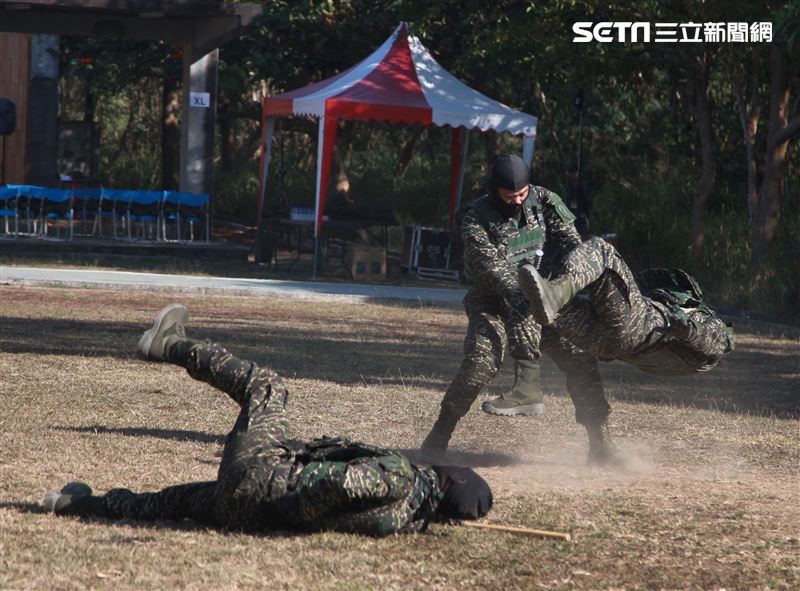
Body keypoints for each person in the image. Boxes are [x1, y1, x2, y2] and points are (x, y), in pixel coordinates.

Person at [44, 304, 493, 536]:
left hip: (264, 483)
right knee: (168, 505)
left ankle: (169, 344)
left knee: (268, 388)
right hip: (248, 513)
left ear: (452, 481)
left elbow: (338, 485)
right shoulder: (407, 518)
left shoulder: (401, 478)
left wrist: (287, 493)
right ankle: (77, 505)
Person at [519, 237, 735, 463]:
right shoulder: (665, 312)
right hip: (610, 343)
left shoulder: (695, 313)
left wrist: (690, 332)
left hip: (636, 333)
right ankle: (600, 447)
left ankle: (535, 309)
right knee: (537, 304)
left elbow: (722, 342)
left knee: (602, 250)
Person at [421, 155, 583, 454]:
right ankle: (439, 435)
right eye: (510, 197)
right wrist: (530, 295)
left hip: (545, 297)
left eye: (522, 194)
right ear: (494, 191)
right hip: (492, 301)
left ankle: (601, 442)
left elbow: (573, 245)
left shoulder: (545, 201)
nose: (518, 202)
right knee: (479, 364)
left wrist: (566, 283)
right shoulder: (475, 219)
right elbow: (495, 271)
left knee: (580, 358)